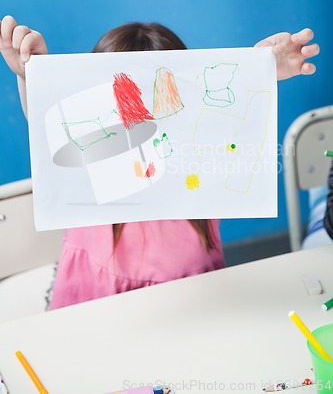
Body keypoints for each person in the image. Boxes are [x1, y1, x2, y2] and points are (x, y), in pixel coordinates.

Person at [0, 15, 320, 310]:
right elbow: (47, 131)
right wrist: (32, 76)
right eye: (125, 110)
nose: (142, 124)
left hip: (194, 304)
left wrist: (257, 71)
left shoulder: (198, 163)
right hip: (92, 303)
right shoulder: (90, 167)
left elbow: (230, 124)